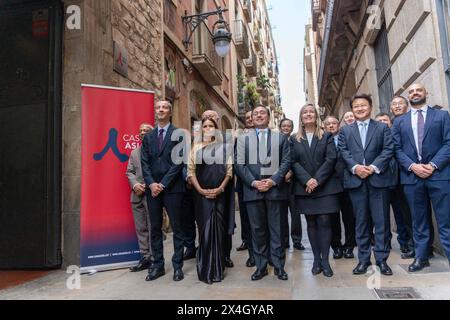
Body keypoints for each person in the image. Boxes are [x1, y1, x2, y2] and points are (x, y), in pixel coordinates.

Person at [392, 84, 450, 272]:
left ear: (426, 93)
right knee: (418, 220)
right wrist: (413, 166)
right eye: (411, 92)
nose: (414, 93)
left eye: (418, 90)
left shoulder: (441, 116)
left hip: (439, 175)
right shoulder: (400, 121)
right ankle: (421, 257)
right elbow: (396, 148)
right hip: (412, 177)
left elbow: (448, 143)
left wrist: (433, 165)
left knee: (445, 220)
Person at [338, 94, 395, 276]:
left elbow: (388, 150)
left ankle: (381, 260)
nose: (360, 108)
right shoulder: (345, 131)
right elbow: (343, 152)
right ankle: (363, 260)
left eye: (363, 105)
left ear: (370, 107)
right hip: (356, 182)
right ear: (352, 109)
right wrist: (356, 168)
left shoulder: (382, 128)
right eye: (356, 106)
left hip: (378, 181)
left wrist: (372, 167)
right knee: (361, 224)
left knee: (382, 223)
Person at [235, 105, 291, 281]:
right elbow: (239, 163)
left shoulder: (281, 138)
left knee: (276, 230)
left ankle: (279, 266)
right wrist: (253, 182)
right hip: (252, 191)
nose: (259, 116)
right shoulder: (243, 140)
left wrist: (273, 180)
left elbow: (286, 161)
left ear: (268, 117)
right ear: (252, 118)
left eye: (262, 113)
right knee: (257, 230)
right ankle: (261, 266)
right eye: (255, 113)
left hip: (275, 190)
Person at [291, 105, 341, 277]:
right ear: (301, 117)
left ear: (316, 116)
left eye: (311, 111)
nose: (308, 114)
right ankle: (316, 260)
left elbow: (331, 159)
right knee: (311, 223)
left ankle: (326, 260)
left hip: (325, 186)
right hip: (304, 187)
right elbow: (293, 162)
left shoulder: (326, 136)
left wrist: (317, 180)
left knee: (325, 221)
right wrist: (307, 180)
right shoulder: (294, 139)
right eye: (305, 112)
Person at [141, 100, 186, 282]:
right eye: (158, 107)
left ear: (169, 112)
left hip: (173, 188)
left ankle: (177, 266)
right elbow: (144, 163)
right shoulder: (148, 136)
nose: (161, 109)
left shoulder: (178, 134)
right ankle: (158, 265)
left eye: (165, 107)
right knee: (155, 228)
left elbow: (178, 162)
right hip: (153, 190)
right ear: (155, 111)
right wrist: (152, 184)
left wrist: (163, 184)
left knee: (177, 228)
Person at [187, 117, 234, 284]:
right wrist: (200, 190)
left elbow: (229, 171)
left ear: (216, 129)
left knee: (219, 232)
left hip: (220, 195)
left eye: (211, 126)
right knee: (205, 230)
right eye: (205, 126)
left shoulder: (224, 148)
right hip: (201, 196)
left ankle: (218, 267)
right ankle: (205, 266)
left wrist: (220, 189)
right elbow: (191, 171)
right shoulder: (195, 148)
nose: (208, 128)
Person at [324, 115, 356, 260]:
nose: (331, 126)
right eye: (328, 124)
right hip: (329, 185)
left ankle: (349, 246)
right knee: (332, 218)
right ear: (324, 126)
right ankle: (336, 246)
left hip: (348, 182)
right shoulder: (322, 140)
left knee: (350, 217)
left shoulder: (347, 136)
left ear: (339, 124)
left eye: (334, 123)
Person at [126, 123, 154, 272]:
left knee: (152, 227)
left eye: (146, 130)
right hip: (136, 195)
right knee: (141, 228)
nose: (142, 133)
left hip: (152, 194)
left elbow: (159, 170)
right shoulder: (134, 152)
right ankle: (145, 257)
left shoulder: (157, 151)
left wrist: (148, 185)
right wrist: (135, 185)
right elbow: (129, 171)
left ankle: (155, 258)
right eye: (140, 130)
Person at [279, 118, 305, 251]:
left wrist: (292, 173)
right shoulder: (275, 141)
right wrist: (281, 175)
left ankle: (297, 240)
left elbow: (300, 160)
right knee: (281, 214)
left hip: (294, 184)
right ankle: (284, 241)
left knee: (295, 214)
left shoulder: (296, 141)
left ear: (292, 128)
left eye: (289, 126)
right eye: (283, 126)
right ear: (280, 127)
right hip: (280, 183)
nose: (286, 128)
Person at [235, 111, 256, 268]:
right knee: (246, 220)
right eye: (247, 118)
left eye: (251, 117)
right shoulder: (238, 139)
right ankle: (252, 253)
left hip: (263, 184)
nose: (249, 120)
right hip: (244, 185)